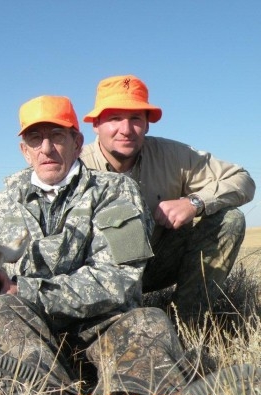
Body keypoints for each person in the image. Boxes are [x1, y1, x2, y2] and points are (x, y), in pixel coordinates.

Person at [0, 95, 196, 395]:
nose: (46, 148)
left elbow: (119, 280)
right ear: (25, 150)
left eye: (57, 136)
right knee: (5, 310)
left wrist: (28, 291)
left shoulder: (116, 190)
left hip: (102, 326)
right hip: (26, 327)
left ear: (77, 142)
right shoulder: (4, 200)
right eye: (35, 138)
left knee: (148, 321)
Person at [80, 75, 256, 326]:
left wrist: (194, 202)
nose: (126, 130)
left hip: (158, 262)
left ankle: (186, 323)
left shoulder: (172, 155)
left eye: (135, 119)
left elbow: (242, 179)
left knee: (229, 220)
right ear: (96, 124)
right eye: (114, 118)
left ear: (148, 124)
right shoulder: (76, 167)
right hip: (100, 275)